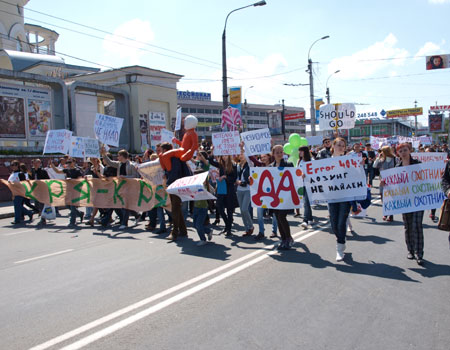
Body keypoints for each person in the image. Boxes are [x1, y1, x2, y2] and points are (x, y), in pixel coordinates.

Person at [388, 143, 424, 265]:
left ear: (409, 151)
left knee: (417, 225)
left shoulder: (417, 164)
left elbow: (425, 179)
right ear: (398, 153)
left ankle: (419, 253)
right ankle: (410, 250)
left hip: (418, 200)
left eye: (405, 150)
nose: (403, 152)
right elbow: (395, 184)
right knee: (408, 226)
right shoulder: (397, 167)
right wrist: (385, 183)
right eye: (401, 151)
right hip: (405, 201)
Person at [100, 148, 140, 230]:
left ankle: (124, 223)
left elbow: (135, 176)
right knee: (123, 204)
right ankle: (136, 215)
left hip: (129, 187)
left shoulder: (131, 165)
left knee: (125, 204)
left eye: (118, 155)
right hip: (120, 187)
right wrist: (103, 154)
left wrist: (125, 177)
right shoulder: (119, 164)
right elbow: (109, 162)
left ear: (123, 156)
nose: (117, 157)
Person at [327, 138, 352, 261]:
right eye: (338, 145)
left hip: (345, 195)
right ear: (333, 146)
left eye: (343, 145)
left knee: (342, 222)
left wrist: (360, 167)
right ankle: (341, 239)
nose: (341, 147)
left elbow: (356, 176)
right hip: (332, 196)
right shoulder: (325, 162)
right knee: (334, 224)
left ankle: (340, 248)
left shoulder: (349, 161)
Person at [161, 142, 191, 241]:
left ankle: (174, 232)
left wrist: (170, 182)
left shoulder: (175, 159)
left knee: (175, 208)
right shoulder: (170, 158)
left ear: (165, 150)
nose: (160, 153)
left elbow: (175, 173)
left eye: (161, 150)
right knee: (176, 207)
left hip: (176, 186)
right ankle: (183, 230)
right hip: (174, 185)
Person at [271, 145, 295, 250]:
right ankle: (283, 239)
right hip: (275, 197)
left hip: (285, 195)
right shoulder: (270, 167)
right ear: (273, 154)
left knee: (281, 216)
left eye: (281, 152)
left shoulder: (288, 164)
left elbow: (294, 177)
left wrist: (300, 175)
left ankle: (288, 238)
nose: (280, 154)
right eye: (277, 152)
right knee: (277, 217)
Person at [49, 157, 84, 227]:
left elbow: (80, 179)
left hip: (75, 190)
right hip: (68, 189)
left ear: (74, 162)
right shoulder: (67, 170)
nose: (69, 164)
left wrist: (72, 180)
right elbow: (58, 171)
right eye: (68, 162)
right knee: (67, 204)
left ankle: (72, 221)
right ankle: (80, 213)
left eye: (70, 162)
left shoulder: (77, 170)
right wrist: (52, 165)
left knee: (73, 205)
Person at [208, 154, 237, 237]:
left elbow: (234, 179)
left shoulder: (233, 165)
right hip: (221, 189)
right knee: (219, 207)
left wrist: (225, 177)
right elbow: (210, 161)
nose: (224, 157)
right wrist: (213, 152)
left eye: (225, 155)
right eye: (222, 155)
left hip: (229, 190)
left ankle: (229, 229)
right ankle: (227, 224)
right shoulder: (220, 165)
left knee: (229, 210)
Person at [374, 146, 397, 222]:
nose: (381, 153)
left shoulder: (394, 159)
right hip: (382, 181)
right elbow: (374, 166)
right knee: (383, 197)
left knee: (390, 197)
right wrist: (378, 158)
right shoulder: (381, 160)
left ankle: (390, 214)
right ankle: (385, 212)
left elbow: (395, 168)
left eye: (382, 151)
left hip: (391, 180)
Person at [9, 160, 33, 225]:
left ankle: (17, 219)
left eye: (14, 165)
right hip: (14, 191)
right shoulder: (12, 174)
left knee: (17, 205)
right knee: (18, 205)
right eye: (12, 165)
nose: (13, 166)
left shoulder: (20, 174)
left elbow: (24, 183)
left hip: (20, 191)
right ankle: (29, 213)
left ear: (17, 166)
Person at [236, 150, 254, 237]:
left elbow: (249, 158)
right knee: (242, 211)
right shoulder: (238, 165)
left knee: (244, 209)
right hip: (239, 190)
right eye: (240, 155)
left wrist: (243, 148)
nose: (241, 156)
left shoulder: (249, 165)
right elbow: (236, 176)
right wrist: (237, 181)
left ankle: (251, 226)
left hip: (247, 189)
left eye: (243, 155)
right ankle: (247, 229)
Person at [193, 171, 213, 246]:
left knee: (198, 225)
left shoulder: (204, 186)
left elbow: (211, 192)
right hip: (196, 207)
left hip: (203, 208)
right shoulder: (194, 185)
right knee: (195, 225)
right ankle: (208, 231)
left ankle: (203, 239)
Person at [298, 146, 314, 229]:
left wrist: (306, 175)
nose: (299, 153)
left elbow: (315, 171)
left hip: (309, 184)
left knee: (306, 202)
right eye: (299, 151)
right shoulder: (300, 161)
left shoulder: (311, 160)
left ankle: (305, 220)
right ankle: (310, 218)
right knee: (306, 202)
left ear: (305, 152)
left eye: (301, 151)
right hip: (302, 184)